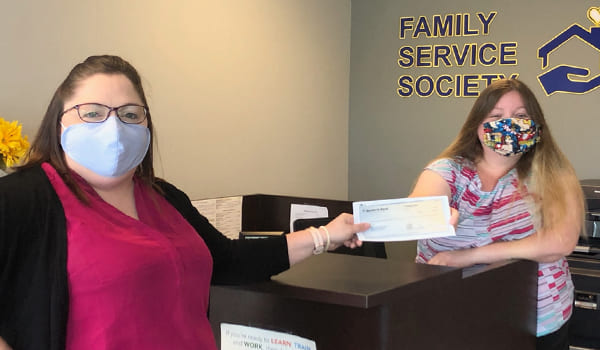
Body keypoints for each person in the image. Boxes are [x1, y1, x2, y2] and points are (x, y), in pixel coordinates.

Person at [0, 55, 369, 350]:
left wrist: (325, 236)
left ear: (146, 126)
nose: (113, 127)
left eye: (130, 114)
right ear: (59, 122)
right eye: (92, 113)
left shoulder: (163, 196)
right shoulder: (25, 200)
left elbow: (230, 262)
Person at [409, 78, 584, 350]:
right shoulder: (448, 169)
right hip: (448, 315)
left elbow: (560, 242)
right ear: (477, 126)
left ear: (536, 126)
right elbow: (421, 205)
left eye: (520, 116)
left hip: (536, 319)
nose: (509, 124)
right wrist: (430, 214)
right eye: (496, 116)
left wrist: (468, 256)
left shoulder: (554, 174)